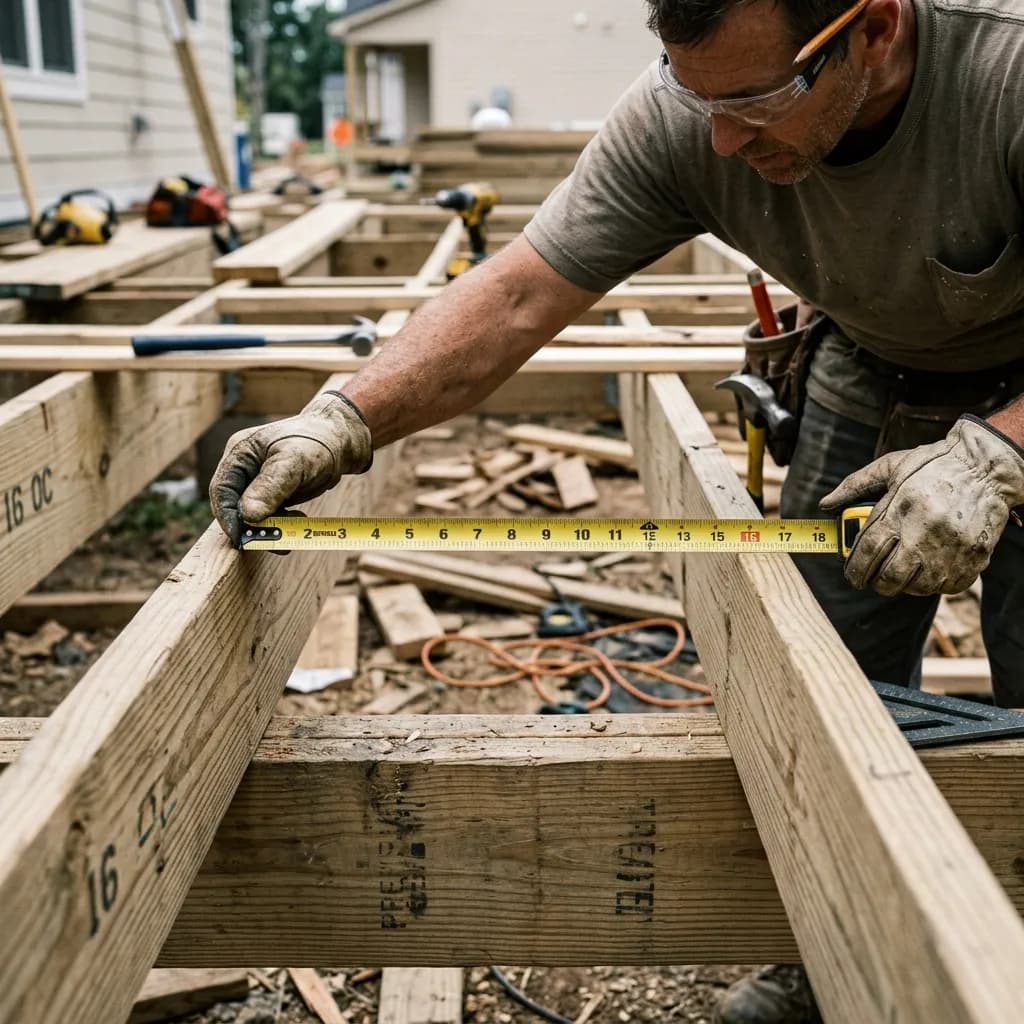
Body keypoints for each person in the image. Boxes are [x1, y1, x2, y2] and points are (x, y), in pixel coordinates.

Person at [211, 2, 1024, 1018]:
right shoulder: (690, 115)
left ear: (873, 30)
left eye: (756, 101)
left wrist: (998, 453)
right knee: (826, 674)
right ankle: (825, 948)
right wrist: (340, 420)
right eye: (700, 98)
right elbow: (515, 297)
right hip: (872, 355)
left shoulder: (1005, 70)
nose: (722, 138)